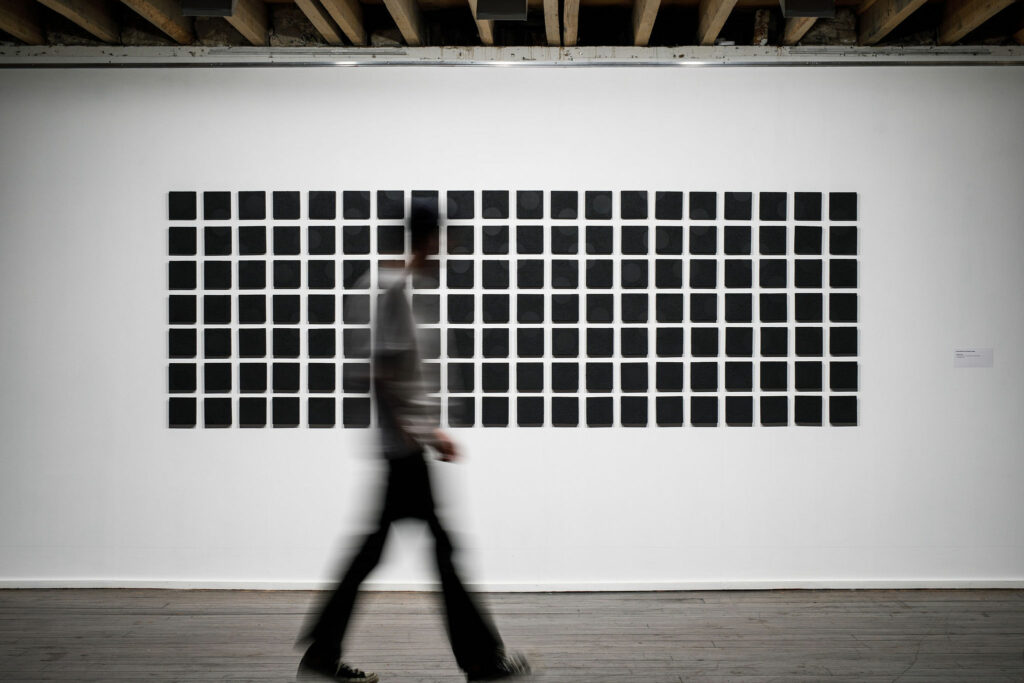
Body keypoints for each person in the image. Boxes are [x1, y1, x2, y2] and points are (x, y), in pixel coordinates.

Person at [296, 203, 530, 683]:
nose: (446, 250)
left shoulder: (398, 288)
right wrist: (424, 432)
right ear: (428, 240)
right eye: (442, 240)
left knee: (381, 551)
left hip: (402, 446)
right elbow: (381, 371)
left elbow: (394, 369)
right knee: (441, 552)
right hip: (403, 448)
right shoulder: (394, 291)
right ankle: (484, 664)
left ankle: (321, 654)